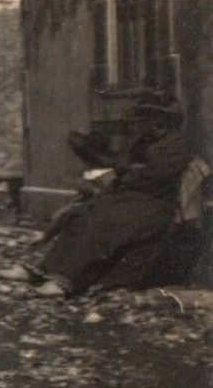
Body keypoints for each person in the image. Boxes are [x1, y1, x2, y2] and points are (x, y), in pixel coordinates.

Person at [30, 101, 204, 296]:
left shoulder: (176, 145)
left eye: (148, 117)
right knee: (83, 212)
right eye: (143, 118)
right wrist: (126, 170)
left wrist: (127, 174)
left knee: (105, 224)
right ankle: (46, 270)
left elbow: (156, 177)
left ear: (163, 120)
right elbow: (125, 165)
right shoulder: (146, 141)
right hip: (131, 196)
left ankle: (67, 280)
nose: (142, 123)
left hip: (154, 203)